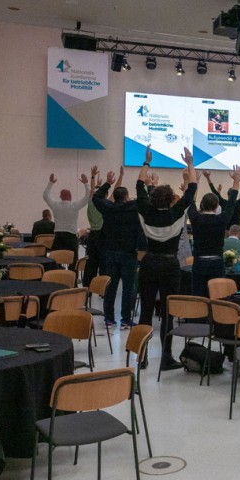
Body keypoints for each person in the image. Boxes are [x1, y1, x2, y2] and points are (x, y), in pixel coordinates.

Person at [136, 146, 197, 368]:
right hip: (170, 264)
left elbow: (138, 186)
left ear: (152, 199)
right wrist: (190, 163)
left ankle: (142, 357)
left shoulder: (145, 212)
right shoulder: (177, 212)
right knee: (168, 314)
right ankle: (166, 358)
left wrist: (146, 162)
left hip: (149, 262)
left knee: (145, 312)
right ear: (171, 199)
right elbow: (192, 189)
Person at [93, 170, 141, 330]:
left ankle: (109, 318)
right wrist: (149, 185)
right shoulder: (133, 208)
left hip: (110, 253)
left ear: (114, 197)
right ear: (127, 197)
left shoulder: (108, 208)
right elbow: (144, 200)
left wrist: (107, 183)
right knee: (128, 288)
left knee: (111, 287)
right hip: (129, 253)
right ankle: (125, 319)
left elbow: (96, 197)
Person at [188, 167, 240, 297]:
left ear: (202, 204)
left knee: (199, 298)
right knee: (218, 297)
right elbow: (231, 202)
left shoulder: (196, 219)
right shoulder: (222, 219)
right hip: (217, 263)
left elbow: (190, 201)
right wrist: (236, 181)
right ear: (218, 205)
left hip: (199, 263)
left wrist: (195, 182)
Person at [43, 170, 91, 267]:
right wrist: (86, 183)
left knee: (56, 261)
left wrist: (50, 183)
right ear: (70, 196)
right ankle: (72, 276)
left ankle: (56, 275)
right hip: (71, 237)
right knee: (73, 262)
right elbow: (88, 197)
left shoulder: (55, 205)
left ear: (60, 196)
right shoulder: (74, 206)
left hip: (58, 237)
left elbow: (45, 196)